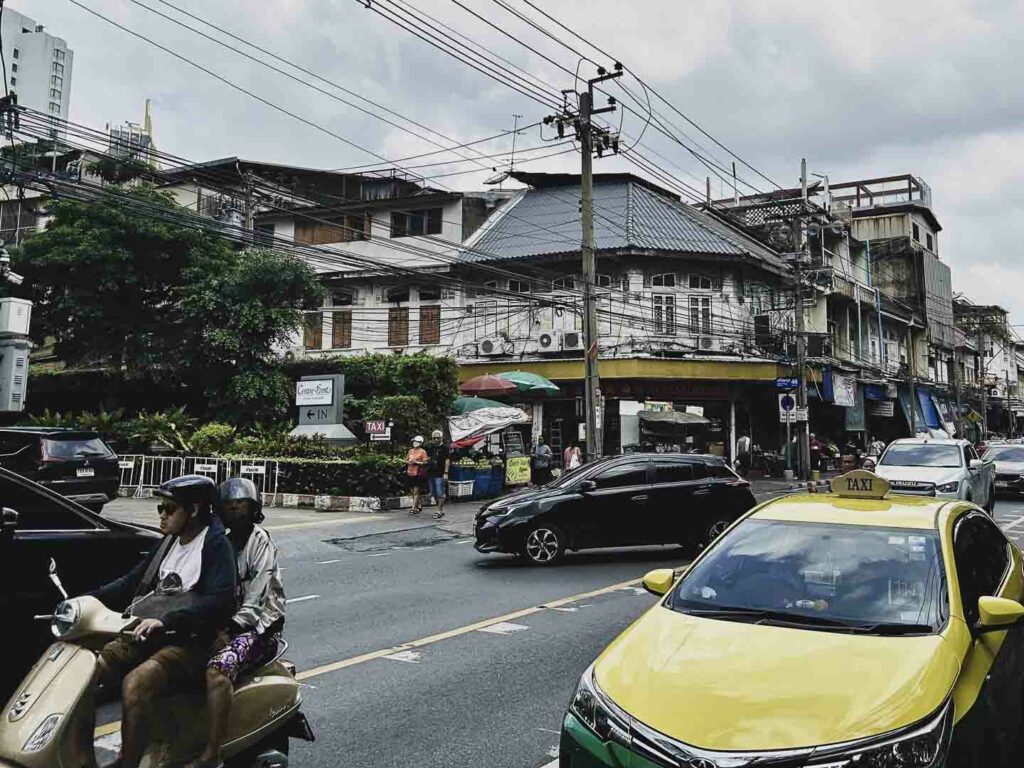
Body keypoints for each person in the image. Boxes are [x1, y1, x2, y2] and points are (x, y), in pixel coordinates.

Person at [90, 475, 236, 768]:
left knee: (135, 684)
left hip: (193, 641)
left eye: (169, 508)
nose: (161, 515)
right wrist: (89, 599)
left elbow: (221, 601)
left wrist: (169, 621)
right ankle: (79, 755)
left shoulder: (215, 545)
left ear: (194, 510)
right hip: (151, 633)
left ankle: (127, 761)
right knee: (88, 673)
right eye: (160, 507)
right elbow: (131, 582)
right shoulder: (168, 542)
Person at [192, 478, 286, 768]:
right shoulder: (219, 542)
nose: (235, 508)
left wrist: (230, 629)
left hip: (258, 628)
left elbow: (257, 599)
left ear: (254, 507)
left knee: (219, 668)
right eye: (229, 504)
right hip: (224, 623)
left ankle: (213, 753)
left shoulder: (261, 541)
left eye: (242, 503)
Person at [426, 429, 450, 520]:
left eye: (437, 438)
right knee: (433, 492)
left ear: (441, 438)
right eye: (434, 438)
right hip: (431, 472)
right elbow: (427, 458)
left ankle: (439, 510)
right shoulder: (430, 448)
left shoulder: (445, 448)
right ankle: (439, 508)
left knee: (440, 492)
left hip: (440, 473)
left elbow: (447, 461)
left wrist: (446, 473)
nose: (436, 439)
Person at [406, 435, 429, 514]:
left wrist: (416, 462)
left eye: (417, 442)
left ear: (420, 443)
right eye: (415, 441)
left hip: (418, 473)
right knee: (412, 491)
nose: (415, 443)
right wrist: (409, 462)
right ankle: (418, 506)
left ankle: (413, 508)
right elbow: (406, 460)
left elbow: (425, 462)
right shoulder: (411, 451)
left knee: (416, 491)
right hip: (410, 472)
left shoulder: (423, 452)